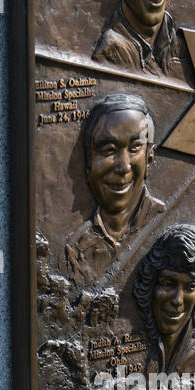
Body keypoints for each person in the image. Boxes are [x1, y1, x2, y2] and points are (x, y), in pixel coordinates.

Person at [65, 93, 164, 286]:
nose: (123, 166)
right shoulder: (76, 247)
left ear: (149, 160)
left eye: (135, 147)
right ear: (88, 163)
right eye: (109, 149)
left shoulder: (165, 220)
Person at [133, 225, 195, 372]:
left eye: (190, 287)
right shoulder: (145, 347)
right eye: (168, 284)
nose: (178, 300)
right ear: (150, 285)